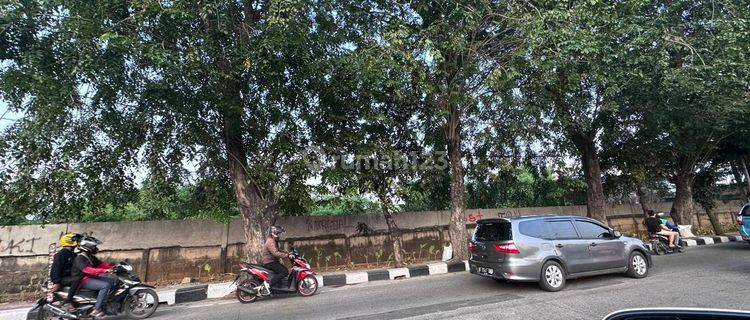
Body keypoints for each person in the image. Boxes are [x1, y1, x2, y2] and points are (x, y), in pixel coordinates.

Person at [71, 236, 114, 318]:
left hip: (91, 278)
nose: (96, 248)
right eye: (94, 247)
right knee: (105, 285)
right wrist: (103, 271)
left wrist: (113, 267)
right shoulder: (80, 258)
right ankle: (97, 309)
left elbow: (102, 264)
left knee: (113, 281)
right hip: (82, 280)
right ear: (88, 247)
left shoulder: (90, 256)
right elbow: (87, 270)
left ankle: (103, 302)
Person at [259, 226, 294, 295]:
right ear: (275, 233)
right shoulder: (270, 241)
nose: (279, 235)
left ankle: (277, 289)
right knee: (285, 271)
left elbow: (278, 250)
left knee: (281, 271)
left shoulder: (273, 240)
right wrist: (287, 256)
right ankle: (269, 284)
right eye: (279, 234)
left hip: (272, 261)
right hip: (270, 262)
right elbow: (275, 253)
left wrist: (287, 252)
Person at [50, 233, 80, 311]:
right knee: (77, 279)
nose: (76, 242)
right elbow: (55, 269)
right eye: (74, 240)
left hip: (69, 277)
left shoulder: (73, 254)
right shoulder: (61, 255)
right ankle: (68, 302)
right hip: (62, 278)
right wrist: (56, 282)